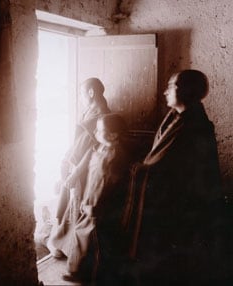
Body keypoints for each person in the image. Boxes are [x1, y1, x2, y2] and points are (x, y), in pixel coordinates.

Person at [124, 69, 225, 286]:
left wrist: (139, 169)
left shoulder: (196, 127)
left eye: (171, 86)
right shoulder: (174, 117)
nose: (165, 92)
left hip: (182, 206)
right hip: (167, 200)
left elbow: (177, 169)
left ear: (187, 91)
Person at [62, 113, 131, 284]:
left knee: (96, 243)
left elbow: (108, 185)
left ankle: (93, 277)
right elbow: (91, 176)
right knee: (80, 234)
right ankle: (76, 271)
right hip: (90, 200)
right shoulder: (99, 148)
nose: (95, 132)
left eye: (100, 130)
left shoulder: (116, 157)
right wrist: (85, 200)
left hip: (101, 207)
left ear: (114, 135)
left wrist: (95, 207)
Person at [47, 77, 110, 257]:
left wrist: (75, 172)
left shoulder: (102, 115)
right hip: (75, 164)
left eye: (82, 94)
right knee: (68, 205)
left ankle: (70, 249)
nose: (81, 98)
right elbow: (78, 143)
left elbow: (90, 149)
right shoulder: (89, 112)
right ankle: (64, 244)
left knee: (76, 206)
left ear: (91, 93)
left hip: (85, 169)